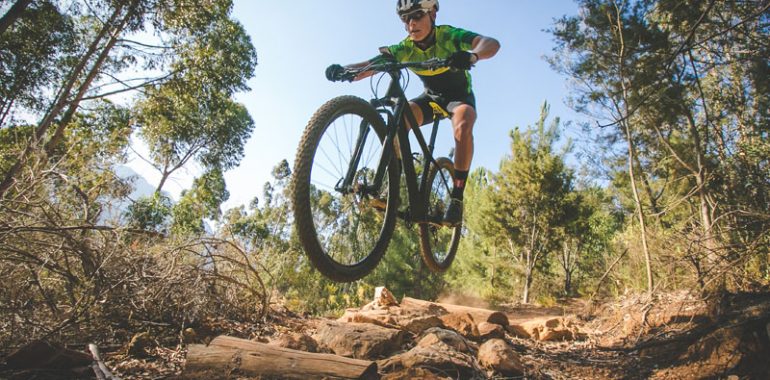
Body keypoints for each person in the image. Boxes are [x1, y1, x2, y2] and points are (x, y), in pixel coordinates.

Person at [326, 0, 500, 226]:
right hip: (431, 99)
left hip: (458, 100)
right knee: (399, 122)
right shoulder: (405, 47)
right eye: (405, 18)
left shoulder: (448, 35)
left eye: (417, 15)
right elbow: (372, 65)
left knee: (463, 124)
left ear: (433, 14)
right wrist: (345, 70)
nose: (411, 23)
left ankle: (456, 197)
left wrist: (472, 56)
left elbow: (490, 43)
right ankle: (392, 186)